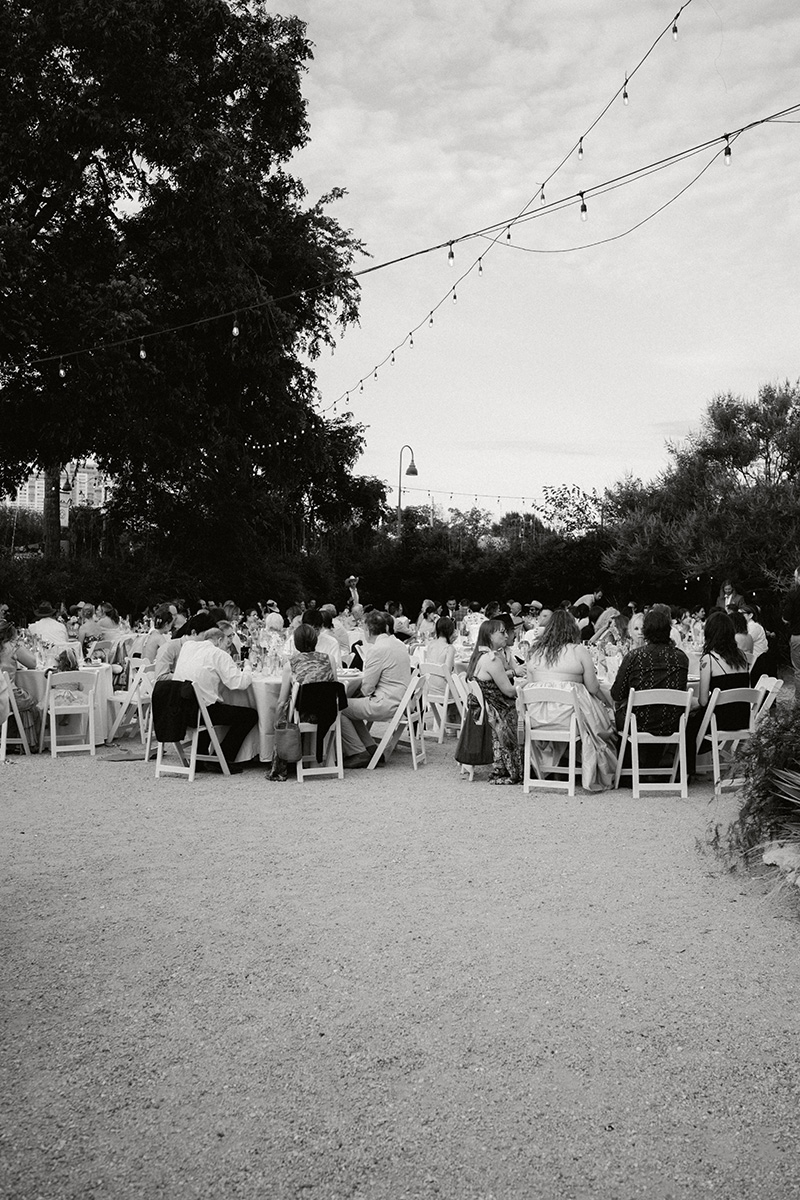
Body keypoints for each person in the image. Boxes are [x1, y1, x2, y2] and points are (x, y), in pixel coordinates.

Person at [525, 608, 617, 792]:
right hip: (570, 719)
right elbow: (593, 688)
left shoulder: (535, 652)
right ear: (572, 629)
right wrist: (609, 704)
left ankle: (556, 765)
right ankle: (575, 763)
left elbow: (529, 684)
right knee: (602, 721)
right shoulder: (578, 651)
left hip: (537, 718)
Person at [172, 624, 256, 772]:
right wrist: (248, 666)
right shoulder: (218, 654)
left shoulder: (188, 647)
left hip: (177, 708)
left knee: (210, 702)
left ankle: (200, 757)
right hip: (199, 712)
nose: (227, 647)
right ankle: (222, 758)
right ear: (218, 640)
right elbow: (239, 683)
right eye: (226, 642)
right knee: (249, 715)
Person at [339, 610, 411, 767]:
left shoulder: (377, 649)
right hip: (399, 701)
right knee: (351, 706)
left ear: (368, 629)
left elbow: (367, 688)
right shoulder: (398, 644)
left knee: (339, 706)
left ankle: (358, 752)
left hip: (385, 703)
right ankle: (370, 747)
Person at [611, 604, 689, 746]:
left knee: (608, 715)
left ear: (645, 631)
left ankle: (623, 761)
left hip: (637, 723)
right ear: (669, 631)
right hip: (672, 723)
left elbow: (617, 694)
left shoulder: (634, 656)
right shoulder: (682, 658)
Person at [685, 610, 751, 776]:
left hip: (719, 721)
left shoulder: (709, 659)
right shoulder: (742, 657)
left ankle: (687, 771)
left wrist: (689, 702)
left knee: (687, 720)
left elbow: (703, 701)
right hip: (742, 718)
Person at [268, 623, 335, 781]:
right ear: (315, 640)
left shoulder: (291, 664)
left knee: (282, 710)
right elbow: (334, 688)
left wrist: (276, 724)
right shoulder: (329, 659)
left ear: (296, 643)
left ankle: (282, 762)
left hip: (304, 714)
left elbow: (282, 701)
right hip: (329, 713)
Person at [465, 619, 521, 785]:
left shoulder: (479, 656)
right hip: (499, 712)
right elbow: (509, 691)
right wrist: (525, 686)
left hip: (486, 710)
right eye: (502, 632)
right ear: (490, 635)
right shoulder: (492, 660)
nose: (506, 635)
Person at [0, 619, 40, 749]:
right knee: (31, 703)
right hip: (5, 694)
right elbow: (33, 663)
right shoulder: (12, 647)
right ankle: (20, 743)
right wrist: (19, 644)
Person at [781, 566, 800, 704]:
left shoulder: (793, 595)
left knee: (799, 671)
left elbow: (786, 617)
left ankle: (799, 702)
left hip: (798, 635)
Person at [740, 601, 770, 683]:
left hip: (758, 659)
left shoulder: (754, 627)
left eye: (742, 614)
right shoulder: (747, 626)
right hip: (752, 658)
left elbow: (744, 643)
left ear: (750, 615)